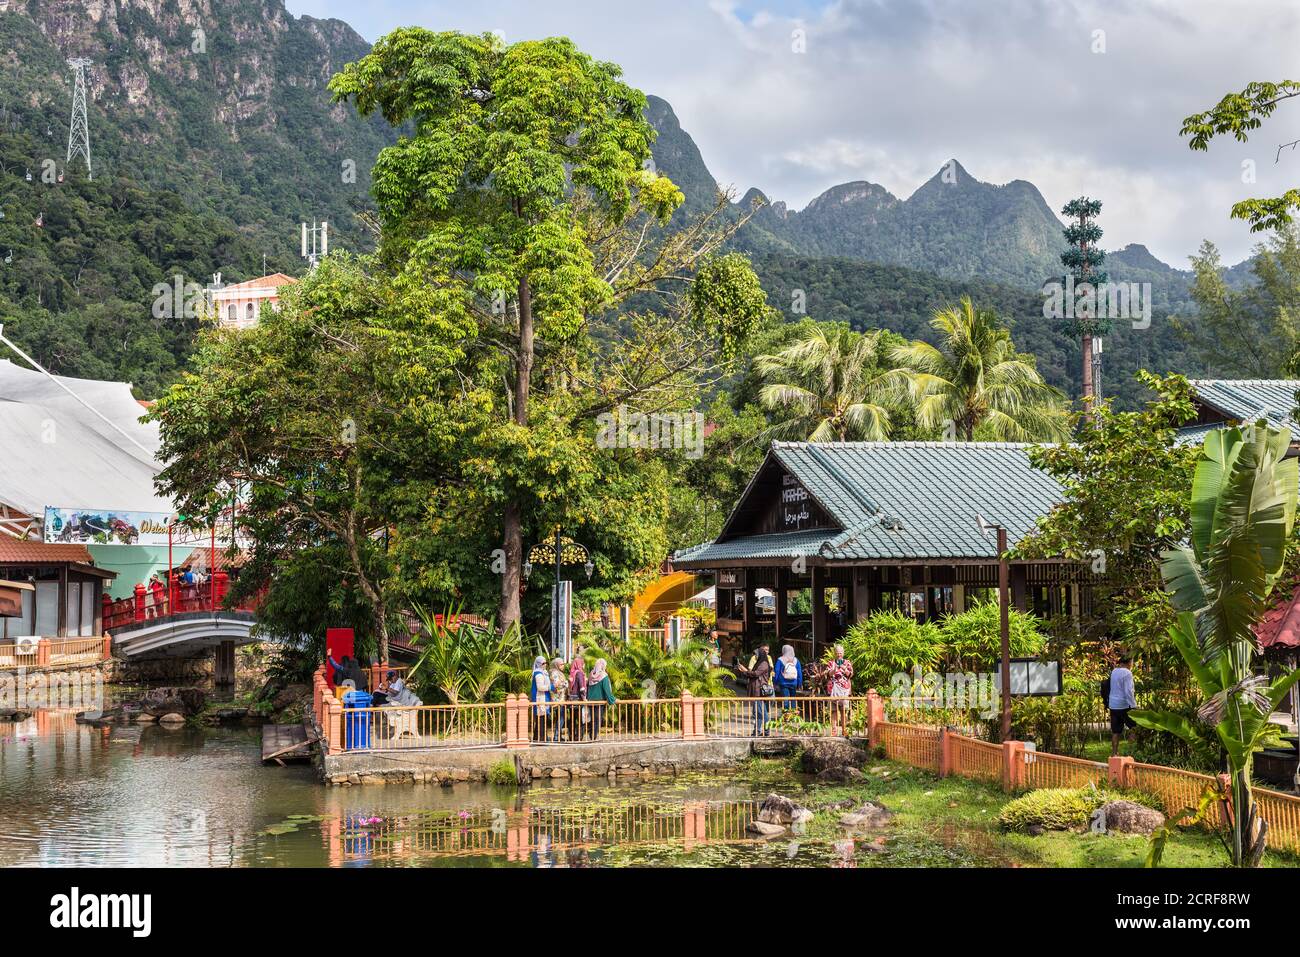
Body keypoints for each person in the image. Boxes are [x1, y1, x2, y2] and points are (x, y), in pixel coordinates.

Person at [738, 644, 774, 736]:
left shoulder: (764, 664)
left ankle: (766, 731)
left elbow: (755, 674)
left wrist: (744, 671)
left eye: (757, 654)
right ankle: (757, 731)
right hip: (756, 691)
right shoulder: (760, 663)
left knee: (762, 712)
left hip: (759, 691)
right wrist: (744, 671)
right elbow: (753, 673)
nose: (756, 656)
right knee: (759, 712)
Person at [1107, 654, 1138, 756]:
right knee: (1134, 728)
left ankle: (1114, 753)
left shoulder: (1114, 671)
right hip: (1124, 705)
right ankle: (1130, 752)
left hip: (1113, 705)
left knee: (1116, 731)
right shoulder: (1127, 673)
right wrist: (1133, 705)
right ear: (1129, 663)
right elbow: (1128, 691)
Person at [825, 644, 855, 734]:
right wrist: (833, 670)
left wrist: (845, 670)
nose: (839, 655)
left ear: (843, 653)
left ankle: (844, 730)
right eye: (837, 653)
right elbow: (827, 674)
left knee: (843, 711)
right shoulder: (831, 663)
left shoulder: (847, 662)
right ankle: (834, 731)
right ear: (835, 653)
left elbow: (851, 674)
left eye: (841, 653)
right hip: (833, 690)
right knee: (833, 711)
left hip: (844, 691)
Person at [585, 658, 616, 740]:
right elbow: (607, 690)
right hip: (600, 701)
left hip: (591, 701)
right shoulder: (604, 676)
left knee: (592, 720)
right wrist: (612, 700)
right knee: (597, 720)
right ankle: (593, 737)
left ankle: (592, 736)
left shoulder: (591, 674)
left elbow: (587, 688)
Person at [529, 655, 552, 741]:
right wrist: (551, 687)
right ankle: (542, 739)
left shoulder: (544, 672)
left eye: (546, 662)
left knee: (542, 719)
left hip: (544, 698)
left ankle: (538, 738)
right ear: (538, 664)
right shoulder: (538, 673)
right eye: (543, 663)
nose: (545, 664)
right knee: (541, 720)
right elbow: (540, 687)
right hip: (539, 698)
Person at [549, 657, 569, 742]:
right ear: (556, 665)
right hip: (558, 700)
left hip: (561, 699)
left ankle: (558, 735)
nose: (563, 665)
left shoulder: (559, 673)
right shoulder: (555, 673)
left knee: (560, 718)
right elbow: (557, 684)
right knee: (561, 718)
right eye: (561, 664)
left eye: (563, 664)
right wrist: (566, 683)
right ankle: (557, 736)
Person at [569, 656, 589, 739]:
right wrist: (584, 698)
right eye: (583, 663)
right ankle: (579, 736)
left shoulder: (572, 673)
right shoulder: (579, 673)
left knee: (572, 718)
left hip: (571, 698)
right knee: (580, 718)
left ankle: (571, 736)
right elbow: (581, 687)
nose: (583, 665)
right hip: (578, 699)